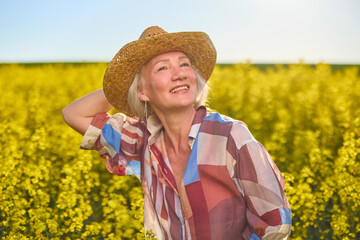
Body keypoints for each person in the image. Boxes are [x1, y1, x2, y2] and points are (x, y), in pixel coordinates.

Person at [62, 26, 291, 240]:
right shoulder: (141, 139)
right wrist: (122, 82)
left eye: (184, 65)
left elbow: (275, 226)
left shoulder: (231, 137)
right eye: (162, 68)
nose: (180, 74)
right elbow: (73, 114)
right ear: (142, 91)